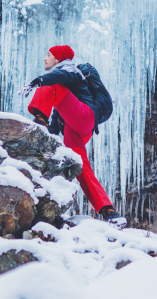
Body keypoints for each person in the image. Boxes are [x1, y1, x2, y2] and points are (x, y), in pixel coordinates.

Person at [23, 45, 126, 228]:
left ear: (59, 58)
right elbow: (58, 114)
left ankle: (39, 120)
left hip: (84, 115)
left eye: (49, 55)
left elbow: (60, 78)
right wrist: (48, 136)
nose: (45, 59)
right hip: (77, 128)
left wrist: (39, 81)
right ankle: (109, 211)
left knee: (51, 84)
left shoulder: (70, 69)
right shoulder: (63, 85)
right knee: (81, 166)